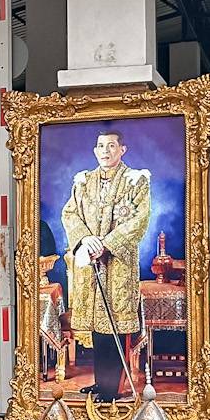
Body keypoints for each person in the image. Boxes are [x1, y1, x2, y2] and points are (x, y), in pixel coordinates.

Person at [60, 126, 152, 400]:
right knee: (97, 327)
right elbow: (70, 213)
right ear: (94, 150)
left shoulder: (136, 181)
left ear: (122, 150)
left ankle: (112, 388)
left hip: (118, 264)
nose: (106, 151)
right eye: (101, 146)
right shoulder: (83, 181)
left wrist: (107, 244)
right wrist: (87, 240)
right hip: (91, 261)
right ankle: (102, 384)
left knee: (113, 326)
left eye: (111, 146)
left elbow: (140, 219)